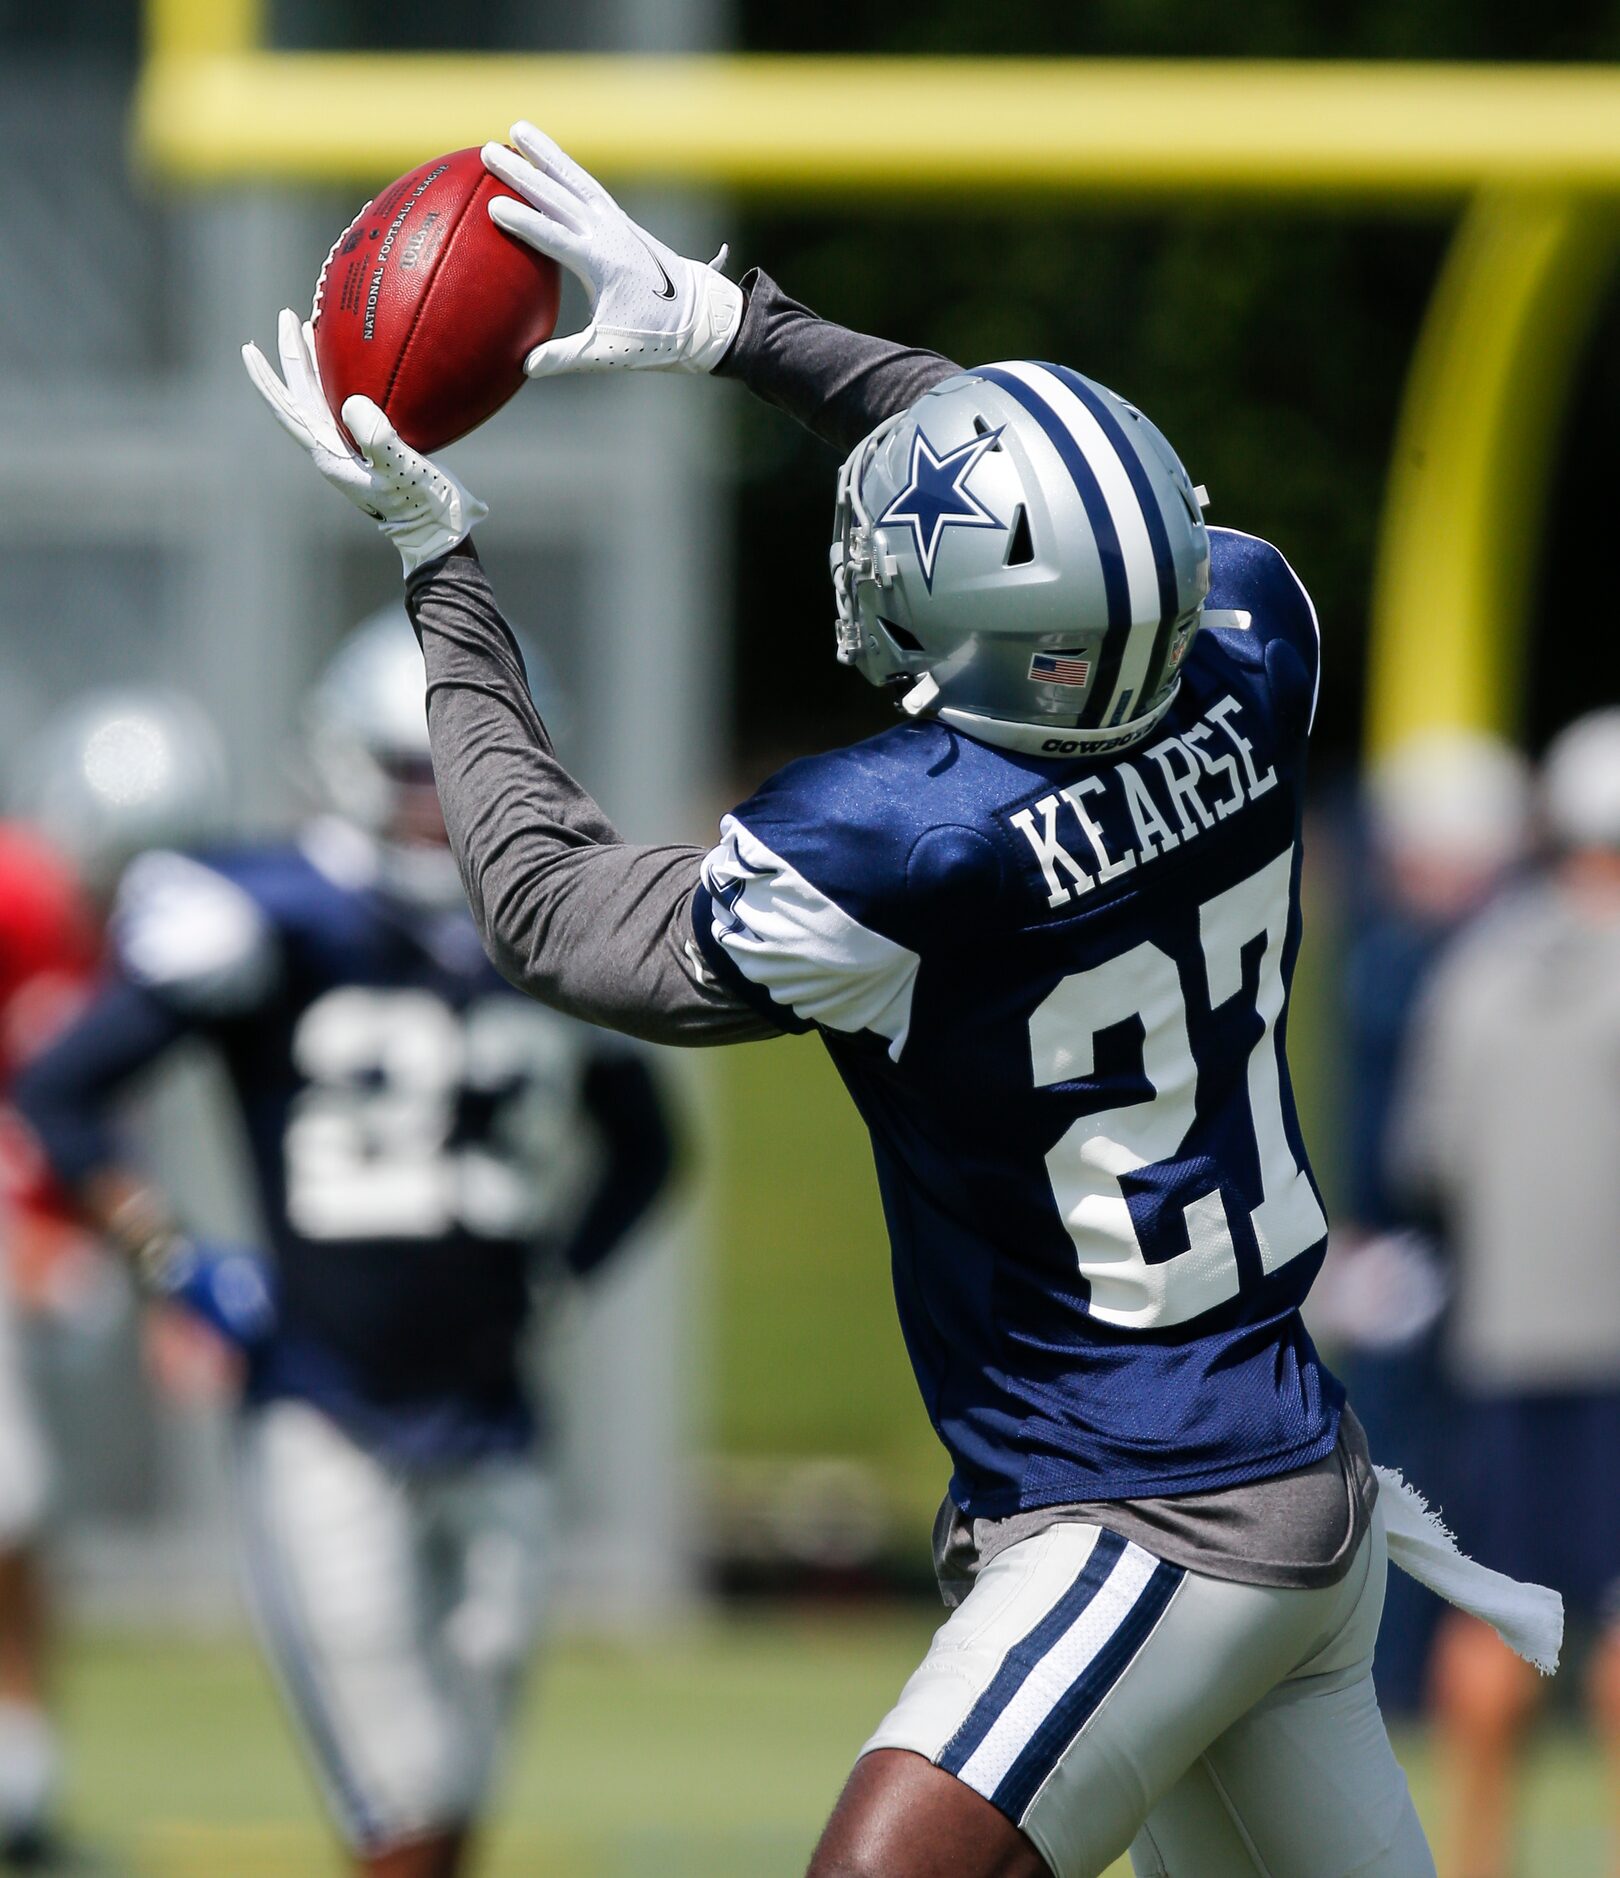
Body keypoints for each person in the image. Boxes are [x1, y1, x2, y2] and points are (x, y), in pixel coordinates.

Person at [241, 122, 1550, 1878]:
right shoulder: (1251, 635)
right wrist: (732, 327)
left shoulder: (904, 844)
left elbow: (554, 914)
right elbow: (1066, 503)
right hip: (1291, 1455)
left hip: (1143, 1509)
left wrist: (436, 564)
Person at [13, 612, 677, 1878]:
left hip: (499, 1415)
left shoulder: (555, 934)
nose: (435, 809)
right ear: (343, 761)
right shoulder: (267, 913)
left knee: (457, 1788)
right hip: (327, 1404)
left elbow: (648, 1153)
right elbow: (63, 1095)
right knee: (403, 1800)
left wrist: (557, 1279)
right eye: (408, 771)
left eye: (456, 773)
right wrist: (173, 1263)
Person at [1389, 708, 1620, 1878]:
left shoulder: (1477, 964)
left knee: (1499, 1618)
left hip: (1501, 1339)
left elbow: (1430, 1159)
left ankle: (1476, 1862)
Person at [0, 687, 224, 1872]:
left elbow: (99, 1133)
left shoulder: (129, 955)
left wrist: (153, 1280)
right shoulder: (13, 900)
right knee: (15, 1494)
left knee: (33, 1516)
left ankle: (24, 1760)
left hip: (54, 1266)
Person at [1308, 730, 1531, 1717]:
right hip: (1407, 1252)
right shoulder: (1396, 953)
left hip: (1480, 1255)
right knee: (1392, 1472)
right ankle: (1393, 1673)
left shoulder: (1468, 956)